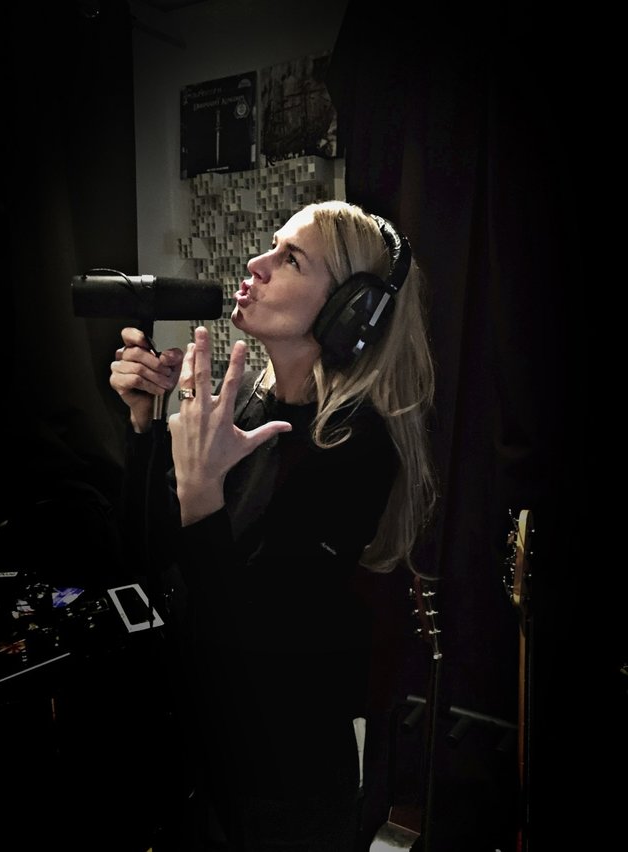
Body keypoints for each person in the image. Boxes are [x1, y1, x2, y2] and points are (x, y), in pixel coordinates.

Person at [109, 200, 437, 851]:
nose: (256, 264)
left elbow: (252, 636)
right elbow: (144, 562)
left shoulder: (358, 446)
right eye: (271, 245)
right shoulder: (245, 410)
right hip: (200, 759)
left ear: (351, 311)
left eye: (291, 259)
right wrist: (145, 428)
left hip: (286, 788)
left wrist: (201, 494)